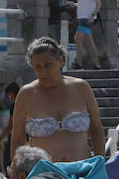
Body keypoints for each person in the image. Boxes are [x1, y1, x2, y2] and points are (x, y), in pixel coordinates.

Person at [10, 36, 106, 164]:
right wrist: (16, 170)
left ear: (61, 61)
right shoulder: (26, 94)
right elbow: (17, 138)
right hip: (43, 174)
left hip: (82, 170)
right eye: (38, 67)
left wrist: (100, 162)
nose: (43, 71)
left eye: (48, 65)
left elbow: (96, 129)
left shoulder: (81, 87)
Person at [69, 0, 102, 70]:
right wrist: (75, 4)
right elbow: (83, 3)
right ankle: (97, 64)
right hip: (81, 17)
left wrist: (93, 15)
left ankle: (79, 63)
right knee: (89, 42)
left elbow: (98, 2)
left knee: (77, 38)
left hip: (87, 18)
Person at [0, 81, 20, 173]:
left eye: (10, 96)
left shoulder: (15, 105)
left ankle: (4, 170)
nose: (9, 99)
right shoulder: (24, 102)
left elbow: (9, 127)